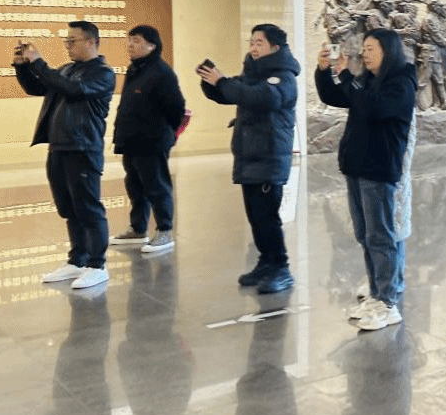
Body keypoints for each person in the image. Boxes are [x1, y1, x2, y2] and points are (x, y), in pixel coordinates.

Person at [315, 28, 417, 331]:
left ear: (389, 51)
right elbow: (334, 96)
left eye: (371, 48)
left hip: (378, 168)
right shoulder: (369, 81)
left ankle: (388, 302)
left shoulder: (401, 82)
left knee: (381, 236)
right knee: (365, 234)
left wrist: (348, 77)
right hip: (357, 166)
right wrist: (325, 71)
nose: (364, 53)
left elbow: (374, 107)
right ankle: (376, 293)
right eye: (364, 48)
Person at [198, 24, 301, 295]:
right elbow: (233, 92)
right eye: (252, 42)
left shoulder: (283, 77)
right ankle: (266, 262)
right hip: (249, 156)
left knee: (267, 217)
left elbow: (261, 97)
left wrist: (223, 82)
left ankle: (281, 268)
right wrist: (211, 82)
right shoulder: (253, 74)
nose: (253, 47)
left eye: (259, 43)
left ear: (275, 48)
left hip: (269, 156)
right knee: (256, 216)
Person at [14, 21, 117, 290]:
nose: (68, 46)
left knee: (88, 208)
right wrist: (23, 66)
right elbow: (37, 88)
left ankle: (97, 265)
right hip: (59, 147)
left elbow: (72, 90)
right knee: (69, 208)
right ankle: (77, 260)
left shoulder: (103, 73)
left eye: (72, 41)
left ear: (91, 42)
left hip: (83, 148)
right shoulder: (67, 70)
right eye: (66, 41)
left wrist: (39, 62)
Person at [109, 25, 187, 254]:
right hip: (131, 139)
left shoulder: (162, 72)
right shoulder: (135, 69)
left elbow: (177, 107)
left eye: (136, 40)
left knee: (157, 186)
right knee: (134, 186)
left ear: (152, 45)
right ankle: (137, 228)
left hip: (152, 141)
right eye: (129, 40)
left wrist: (166, 132)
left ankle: (164, 230)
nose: (130, 45)